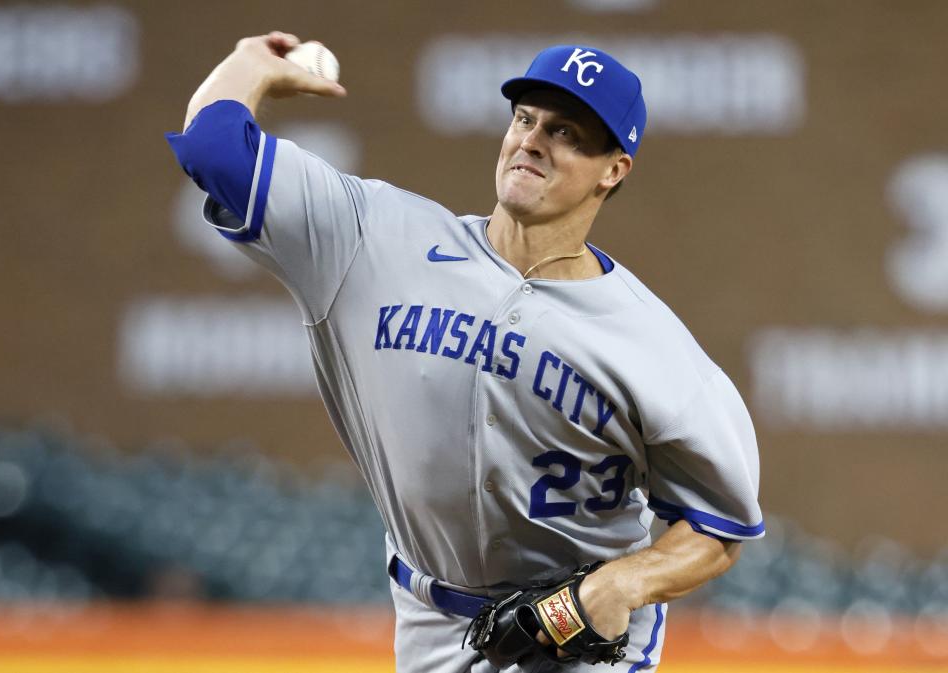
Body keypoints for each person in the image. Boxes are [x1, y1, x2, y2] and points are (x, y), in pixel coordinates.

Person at [166, 32, 764, 672]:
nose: (532, 140)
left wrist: (622, 585)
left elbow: (719, 526)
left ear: (614, 169)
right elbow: (212, 149)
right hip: (428, 619)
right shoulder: (372, 238)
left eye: (567, 132)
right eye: (526, 119)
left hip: (576, 635)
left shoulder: (654, 346)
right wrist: (246, 66)